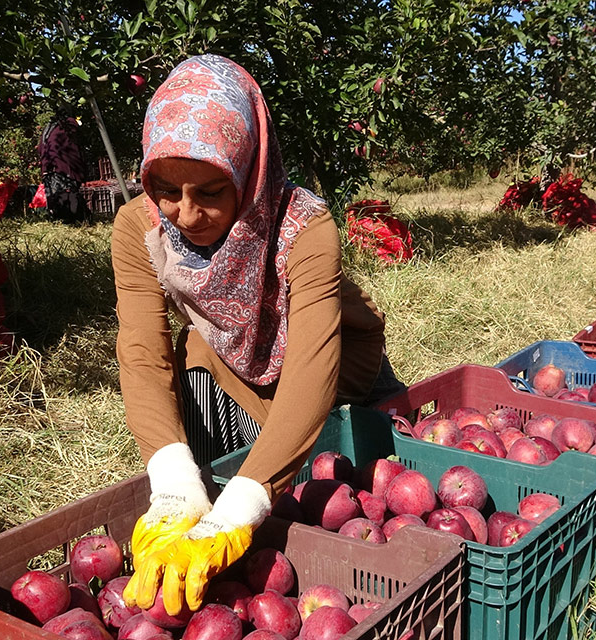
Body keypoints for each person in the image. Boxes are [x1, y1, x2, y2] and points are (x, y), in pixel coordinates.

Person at [112, 55, 403, 616]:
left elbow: (312, 372)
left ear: (249, 170)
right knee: (196, 367)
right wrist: (172, 477)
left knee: (323, 480)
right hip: (226, 356)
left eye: (212, 191)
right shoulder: (139, 227)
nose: (187, 213)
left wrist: (242, 504)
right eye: (166, 189)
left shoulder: (306, 228)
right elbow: (144, 353)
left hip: (335, 366)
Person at [37, 111, 88, 222]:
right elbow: (75, 147)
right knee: (67, 197)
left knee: (55, 199)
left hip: (49, 169)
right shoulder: (68, 125)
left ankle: (59, 220)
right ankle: (72, 221)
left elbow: (40, 148)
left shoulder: (49, 128)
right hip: (64, 169)